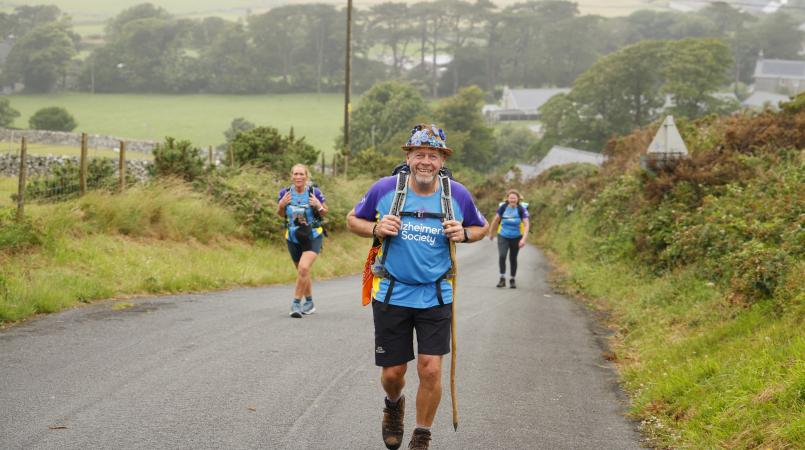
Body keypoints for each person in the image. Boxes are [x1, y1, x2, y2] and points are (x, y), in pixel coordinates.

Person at [347, 124, 488, 450]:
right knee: (393, 373)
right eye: (420, 154)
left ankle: (422, 435)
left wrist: (465, 234)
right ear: (408, 157)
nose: (426, 161)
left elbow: (480, 227)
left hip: (436, 294)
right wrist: (376, 228)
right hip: (392, 292)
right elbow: (352, 220)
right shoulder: (385, 189)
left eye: (433, 156)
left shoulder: (457, 194)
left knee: (431, 370)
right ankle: (393, 404)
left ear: (442, 160)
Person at [277, 163, 328, 318]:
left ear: (306, 176)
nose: (298, 177)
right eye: (296, 174)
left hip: (313, 235)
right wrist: (281, 205)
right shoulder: (285, 193)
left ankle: (296, 304)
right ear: (291, 176)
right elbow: (281, 214)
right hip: (293, 237)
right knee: (302, 272)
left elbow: (325, 212)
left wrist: (318, 206)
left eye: (301, 174)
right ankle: (310, 303)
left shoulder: (314, 192)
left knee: (303, 268)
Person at [487, 189, 529, 289]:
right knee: (502, 256)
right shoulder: (503, 208)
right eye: (511, 198)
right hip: (503, 235)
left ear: (518, 199)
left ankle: (512, 279)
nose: (512, 200)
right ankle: (502, 279)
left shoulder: (521, 209)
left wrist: (523, 239)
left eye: (514, 198)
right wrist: (491, 233)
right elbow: (495, 220)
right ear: (507, 199)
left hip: (516, 237)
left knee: (513, 258)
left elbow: (526, 224)